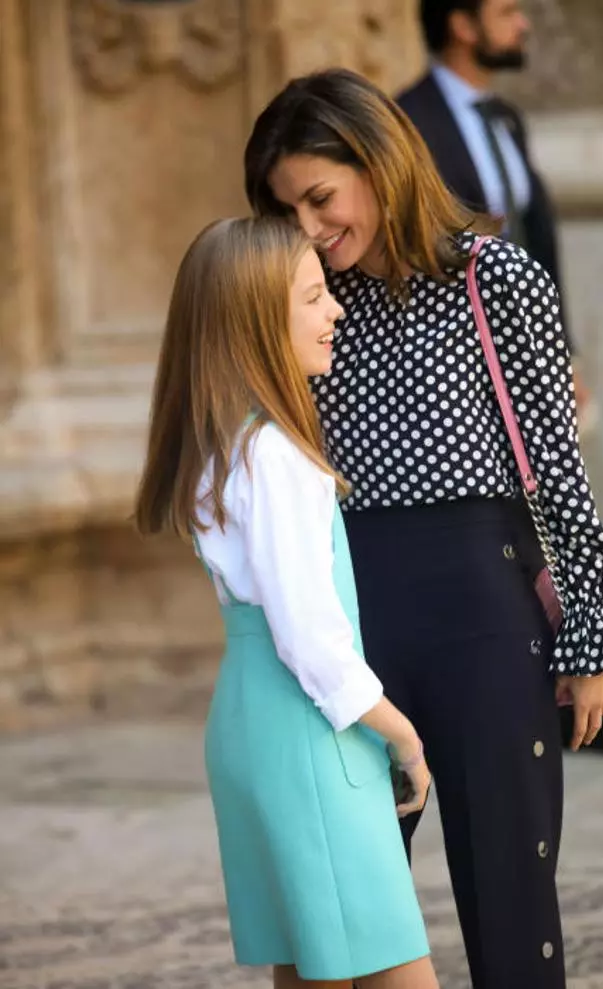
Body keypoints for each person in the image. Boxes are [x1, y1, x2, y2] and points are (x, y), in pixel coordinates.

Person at [244, 68, 603, 989]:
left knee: (511, 912)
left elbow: (556, 465)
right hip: (350, 633)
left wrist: (589, 630)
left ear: (379, 164)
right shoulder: (296, 299)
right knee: (339, 918)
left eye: (320, 196)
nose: (308, 225)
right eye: (286, 209)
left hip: (485, 621)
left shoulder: (494, 277)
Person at [133, 216, 440, 989]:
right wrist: (403, 735)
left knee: (311, 965)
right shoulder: (274, 456)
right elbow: (309, 639)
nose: (336, 310)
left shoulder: (225, 447)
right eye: (313, 297)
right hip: (310, 735)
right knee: (393, 966)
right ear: (256, 321)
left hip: (253, 726)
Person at [398, 0, 603, 756]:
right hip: (465, 380)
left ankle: (587, 679)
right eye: (508, 10)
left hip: (537, 361)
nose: (526, 24)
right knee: (509, 533)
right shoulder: (407, 122)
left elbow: (539, 247)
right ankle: (530, 690)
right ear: (461, 23)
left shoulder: (507, 118)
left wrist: (563, 354)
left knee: (570, 510)